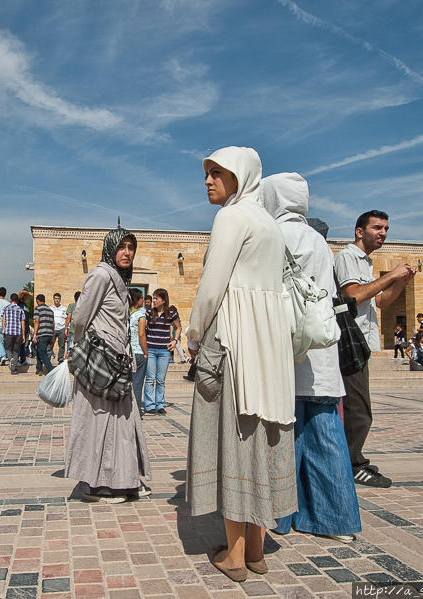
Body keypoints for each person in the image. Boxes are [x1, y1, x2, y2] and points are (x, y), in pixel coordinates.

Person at [185, 147, 295, 580]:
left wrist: (194, 335)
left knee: (233, 437)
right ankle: (256, 549)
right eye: (207, 173)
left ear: (240, 176)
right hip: (270, 342)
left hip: (235, 338)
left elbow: (213, 286)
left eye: (218, 173)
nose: (209, 180)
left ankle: (233, 556)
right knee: (263, 433)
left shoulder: (231, 217)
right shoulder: (270, 223)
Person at [262, 171, 361, 544]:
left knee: (284, 438)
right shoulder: (320, 242)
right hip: (320, 352)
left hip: (288, 351)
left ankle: (281, 517)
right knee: (325, 436)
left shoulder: (274, 235)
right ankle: (335, 520)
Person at [65, 222, 151, 504]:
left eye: (131, 247)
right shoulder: (101, 275)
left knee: (119, 424)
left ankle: (119, 481)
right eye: (123, 247)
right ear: (111, 248)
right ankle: (100, 483)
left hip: (116, 363)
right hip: (101, 365)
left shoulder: (117, 278)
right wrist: (85, 351)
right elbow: (80, 318)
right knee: (100, 423)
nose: (127, 252)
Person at [334, 210, 415, 488]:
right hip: (350, 343)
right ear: (360, 231)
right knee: (359, 409)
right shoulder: (347, 257)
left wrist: (400, 282)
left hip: (363, 343)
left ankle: (348, 460)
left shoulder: (365, 263)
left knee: (357, 407)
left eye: (386, 229)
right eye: (377, 228)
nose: (383, 233)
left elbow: (380, 303)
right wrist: (390, 274)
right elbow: (354, 294)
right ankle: (354, 464)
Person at [140, 288, 179, 416]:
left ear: (163, 300)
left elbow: (178, 327)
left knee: (161, 379)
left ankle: (160, 405)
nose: (153, 301)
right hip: (150, 350)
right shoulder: (149, 313)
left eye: (156, 298)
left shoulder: (171, 313)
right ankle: (149, 405)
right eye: (154, 298)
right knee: (150, 378)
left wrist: (175, 341)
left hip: (164, 351)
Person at [127, 288, 147, 415]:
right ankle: (136, 411)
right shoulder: (141, 315)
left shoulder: (126, 313)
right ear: (137, 300)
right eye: (141, 298)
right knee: (138, 383)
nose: (143, 300)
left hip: (127, 352)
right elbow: (141, 334)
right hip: (138, 352)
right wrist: (146, 352)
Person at [1, 293, 26, 375]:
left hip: (8, 331)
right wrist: (23, 335)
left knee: (7, 348)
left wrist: (2, 331)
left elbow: (3, 321)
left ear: (10, 299)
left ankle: (10, 359)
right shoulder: (20, 309)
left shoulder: (5, 308)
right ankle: (13, 368)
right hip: (18, 332)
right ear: (17, 300)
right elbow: (23, 323)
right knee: (16, 350)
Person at [32, 294, 55, 376]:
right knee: (39, 351)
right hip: (49, 334)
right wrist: (52, 336)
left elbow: (37, 321)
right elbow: (53, 324)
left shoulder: (38, 309)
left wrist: (34, 334)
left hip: (42, 334)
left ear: (37, 301)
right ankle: (39, 369)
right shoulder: (50, 310)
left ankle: (51, 370)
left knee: (43, 353)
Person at [51, 293, 68, 364]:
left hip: (61, 328)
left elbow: (67, 319)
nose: (57, 300)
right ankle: (48, 358)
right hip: (53, 329)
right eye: (56, 298)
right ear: (53, 299)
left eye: (58, 299)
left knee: (62, 345)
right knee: (50, 345)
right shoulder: (50, 308)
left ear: (60, 299)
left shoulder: (64, 309)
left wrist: (66, 329)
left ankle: (60, 359)